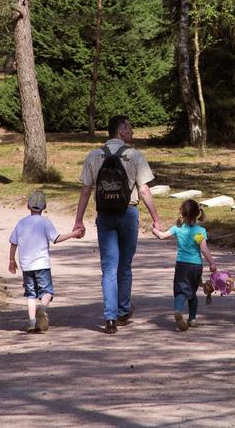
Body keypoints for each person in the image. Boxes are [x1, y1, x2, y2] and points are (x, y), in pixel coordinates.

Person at [74, 115, 163, 334]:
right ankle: (123, 311)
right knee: (125, 265)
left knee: (108, 268)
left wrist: (78, 220)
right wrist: (156, 218)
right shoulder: (134, 156)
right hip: (128, 213)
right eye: (130, 128)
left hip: (104, 216)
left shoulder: (94, 156)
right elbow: (143, 191)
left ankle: (110, 317)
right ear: (121, 131)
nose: (132, 132)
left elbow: (86, 190)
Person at [8, 190, 83, 333]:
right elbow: (56, 238)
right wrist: (74, 234)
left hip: (26, 265)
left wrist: (11, 260)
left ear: (27, 206)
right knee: (47, 291)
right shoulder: (45, 222)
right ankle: (42, 308)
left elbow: (13, 243)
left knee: (30, 294)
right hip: (42, 264)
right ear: (44, 207)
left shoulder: (21, 223)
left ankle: (31, 322)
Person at [152, 199, 218, 331]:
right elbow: (204, 249)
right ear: (197, 213)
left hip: (182, 265)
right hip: (196, 266)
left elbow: (162, 236)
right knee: (192, 292)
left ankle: (178, 310)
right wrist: (212, 262)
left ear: (182, 213)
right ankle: (192, 319)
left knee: (180, 291)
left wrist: (154, 230)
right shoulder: (199, 232)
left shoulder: (178, 229)